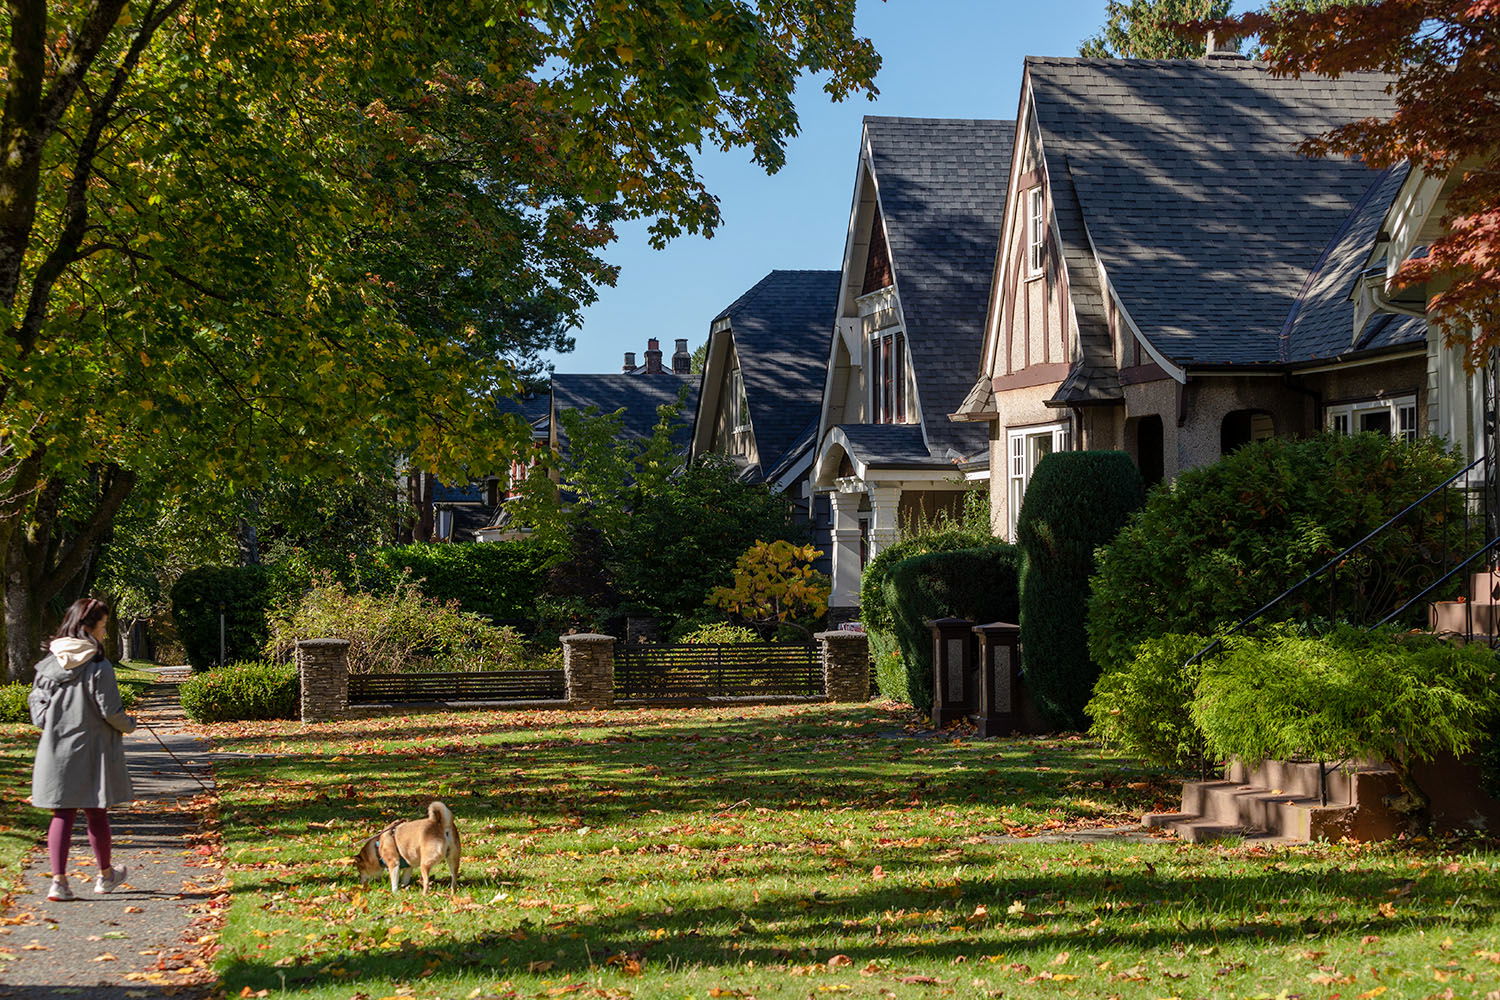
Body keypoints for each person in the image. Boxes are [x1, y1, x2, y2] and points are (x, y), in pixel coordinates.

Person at [29, 598, 135, 902]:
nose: (104, 633)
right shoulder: (99, 666)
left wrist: (52, 723)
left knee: (61, 813)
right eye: (102, 627)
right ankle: (104, 876)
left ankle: (58, 883)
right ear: (90, 628)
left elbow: (37, 708)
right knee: (95, 812)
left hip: (56, 748)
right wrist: (130, 725)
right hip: (93, 749)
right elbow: (111, 712)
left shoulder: (48, 664)